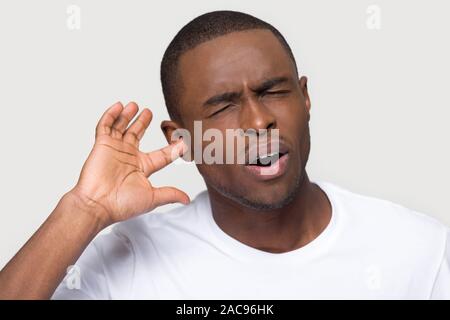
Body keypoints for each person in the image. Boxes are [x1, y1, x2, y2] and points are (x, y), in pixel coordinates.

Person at [0, 10, 448, 300]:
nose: (257, 122)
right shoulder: (130, 260)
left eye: (273, 91)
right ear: (183, 138)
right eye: (224, 106)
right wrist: (85, 209)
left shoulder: (419, 249)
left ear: (305, 98)